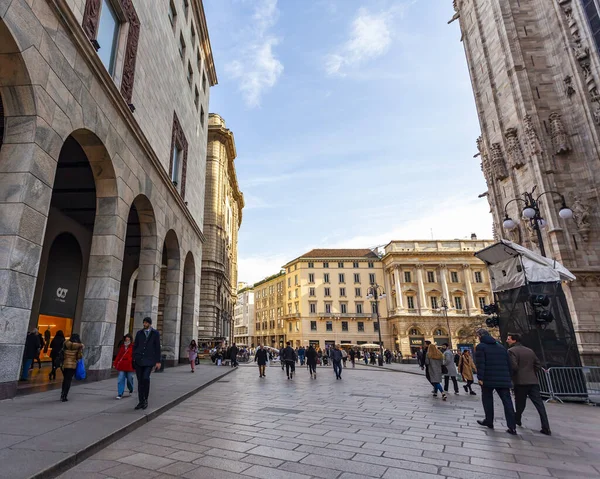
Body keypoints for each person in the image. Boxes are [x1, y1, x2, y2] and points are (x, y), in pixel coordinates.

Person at [507, 333, 551, 435]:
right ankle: (546, 427)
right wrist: (531, 373)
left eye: (508, 339)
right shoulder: (529, 350)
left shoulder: (511, 351)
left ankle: (517, 420)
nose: (507, 340)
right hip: (533, 381)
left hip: (520, 381)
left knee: (520, 403)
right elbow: (538, 365)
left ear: (514, 340)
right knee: (540, 405)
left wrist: (513, 377)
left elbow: (514, 367)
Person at [474, 329, 517, 435]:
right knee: (507, 402)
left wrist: (480, 378)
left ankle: (489, 421)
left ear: (480, 336)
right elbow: (509, 363)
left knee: (487, 400)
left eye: (477, 336)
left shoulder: (481, 347)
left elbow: (481, 364)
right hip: (503, 378)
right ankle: (512, 427)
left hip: (488, 378)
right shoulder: (501, 347)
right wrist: (509, 377)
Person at [133, 317, 162, 410]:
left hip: (149, 361)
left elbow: (157, 347)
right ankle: (141, 401)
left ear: (149, 323)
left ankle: (145, 399)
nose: (144, 324)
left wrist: (158, 361)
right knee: (140, 381)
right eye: (143, 322)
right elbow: (135, 345)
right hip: (139, 360)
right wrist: (134, 356)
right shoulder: (139, 333)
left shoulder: (155, 333)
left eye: (146, 323)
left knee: (146, 378)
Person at [61, 334, 84, 402]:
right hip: (72, 365)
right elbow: (79, 356)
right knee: (69, 380)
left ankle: (62, 393)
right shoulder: (79, 346)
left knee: (65, 379)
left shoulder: (66, 344)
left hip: (65, 364)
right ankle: (65, 395)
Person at [113, 334, 135, 399]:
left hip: (129, 366)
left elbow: (135, 356)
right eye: (126, 339)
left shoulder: (133, 347)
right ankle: (120, 393)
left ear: (130, 340)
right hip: (122, 365)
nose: (127, 340)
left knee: (129, 379)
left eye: (128, 339)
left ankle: (131, 388)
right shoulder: (122, 347)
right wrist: (115, 363)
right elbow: (119, 356)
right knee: (120, 379)